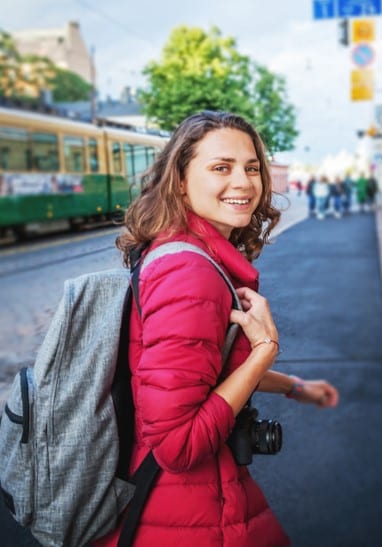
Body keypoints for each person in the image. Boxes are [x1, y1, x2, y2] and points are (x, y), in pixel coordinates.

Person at [100, 111, 340, 546]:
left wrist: (296, 387)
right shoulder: (190, 274)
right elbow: (177, 445)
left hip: (187, 506)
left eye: (252, 168)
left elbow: (202, 372)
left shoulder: (181, 250)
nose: (244, 183)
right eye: (221, 167)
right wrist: (265, 349)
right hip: (188, 517)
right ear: (180, 181)